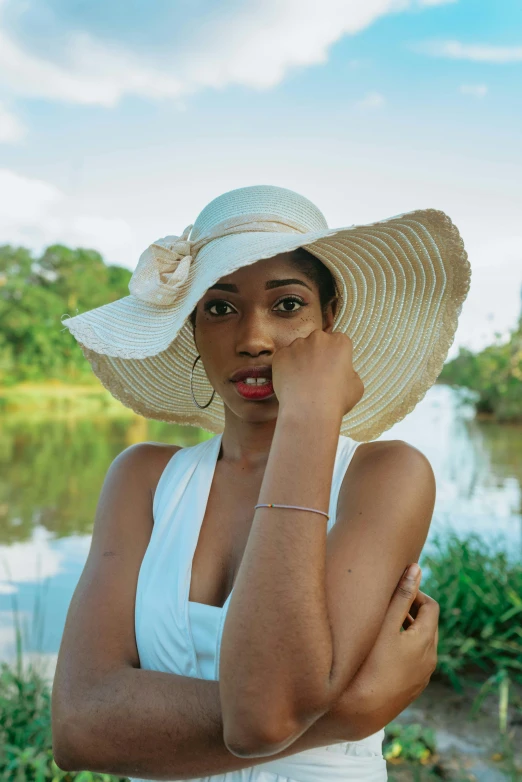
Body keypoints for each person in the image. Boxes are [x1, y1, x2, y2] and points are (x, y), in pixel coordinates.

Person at [52, 184, 471, 781]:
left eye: (287, 305)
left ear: (331, 320)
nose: (253, 338)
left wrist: (311, 417)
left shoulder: (384, 476)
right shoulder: (143, 479)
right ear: (192, 328)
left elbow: (263, 717)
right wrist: (340, 717)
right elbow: (79, 729)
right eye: (220, 308)